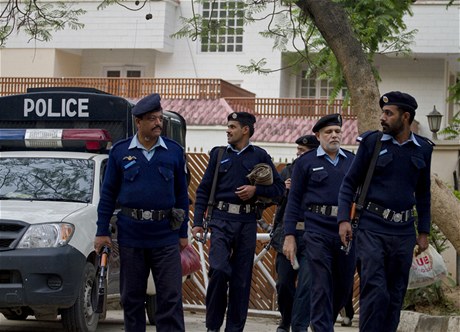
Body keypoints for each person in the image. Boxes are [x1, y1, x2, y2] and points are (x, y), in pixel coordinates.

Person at [338, 91, 433, 332]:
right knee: (375, 289)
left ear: (406, 116)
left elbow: (423, 193)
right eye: (383, 112)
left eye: (389, 113)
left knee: (395, 293)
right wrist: (343, 220)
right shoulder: (372, 143)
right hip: (372, 227)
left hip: (403, 232)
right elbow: (349, 183)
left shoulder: (423, 149)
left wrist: (423, 231)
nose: (383, 117)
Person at [94, 93, 190, 332]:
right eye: (152, 119)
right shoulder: (119, 152)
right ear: (139, 122)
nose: (159, 123)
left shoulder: (174, 152)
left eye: (160, 118)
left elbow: (181, 196)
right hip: (132, 236)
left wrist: (182, 232)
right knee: (132, 298)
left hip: (165, 235)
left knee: (170, 297)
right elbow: (107, 195)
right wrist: (101, 231)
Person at [192, 111, 285, 332]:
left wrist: (256, 190)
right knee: (219, 270)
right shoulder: (218, 154)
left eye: (232, 126)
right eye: (228, 126)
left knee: (241, 281)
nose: (228, 130)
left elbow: (279, 190)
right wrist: (197, 221)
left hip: (247, 222)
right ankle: (212, 326)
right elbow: (203, 190)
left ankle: (234, 329)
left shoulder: (260, 155)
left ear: (245, 130)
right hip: (221, 220)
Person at [283, 113, 356, 332]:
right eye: (328, 132)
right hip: (316, 231)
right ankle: (323, 327)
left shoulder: (352, 161)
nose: (334, 135)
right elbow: (293, 200)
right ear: (318, 135)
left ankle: (322, 323)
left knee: (343, 288)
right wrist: (289, 236)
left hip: (346, 233)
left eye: (337, 131)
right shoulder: (305, 163)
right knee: (321, 286)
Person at [271, 134, 319, 332]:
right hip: (287, 234)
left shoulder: (319, 172)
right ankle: (286, 318)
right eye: (298, 150)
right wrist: (284, 190)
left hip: (311, 235)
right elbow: (273, 199)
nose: (299, 154)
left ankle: (299, 325)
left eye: (304, 151)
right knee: (284, 284)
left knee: (306, 286)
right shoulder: (288, 171)